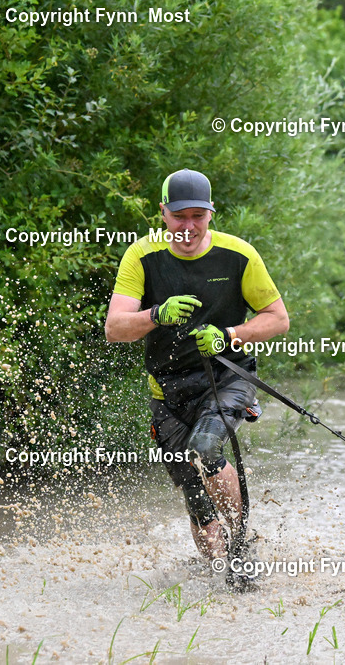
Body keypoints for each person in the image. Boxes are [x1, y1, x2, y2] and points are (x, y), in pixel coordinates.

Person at [105, 169, 289, 587]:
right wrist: (156, 314)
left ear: (211, 214)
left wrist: (230, 335)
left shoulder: (239, 255)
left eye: (198, 216)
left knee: (205, 448)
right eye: (179, 216)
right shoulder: (141, 256)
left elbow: (278, 319)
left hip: (228, 377)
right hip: (167, 390)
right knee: (194, 497)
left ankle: (242, 545)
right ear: (162, 214)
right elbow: (114, 328)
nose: (188, 226)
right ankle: (217, 585)